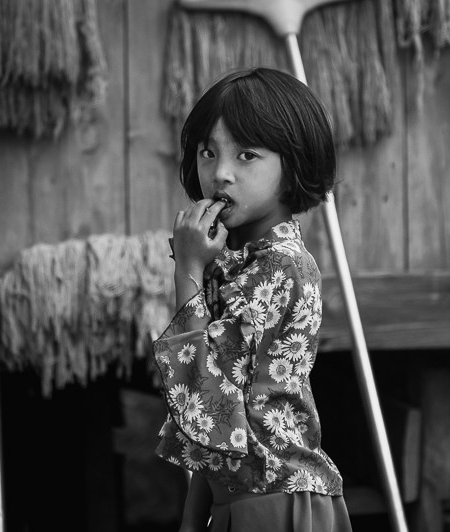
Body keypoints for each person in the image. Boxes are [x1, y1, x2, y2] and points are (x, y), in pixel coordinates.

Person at [153, 67, 353, 532]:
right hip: (240, 502)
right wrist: (193, 517)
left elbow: (209, 397)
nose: (220, 173)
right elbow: (224, 427)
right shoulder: (237, 264)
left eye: (247, 155)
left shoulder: (280, 267)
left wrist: (187, 268)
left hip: (277, 504)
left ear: (293, 167)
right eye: (208, 152)